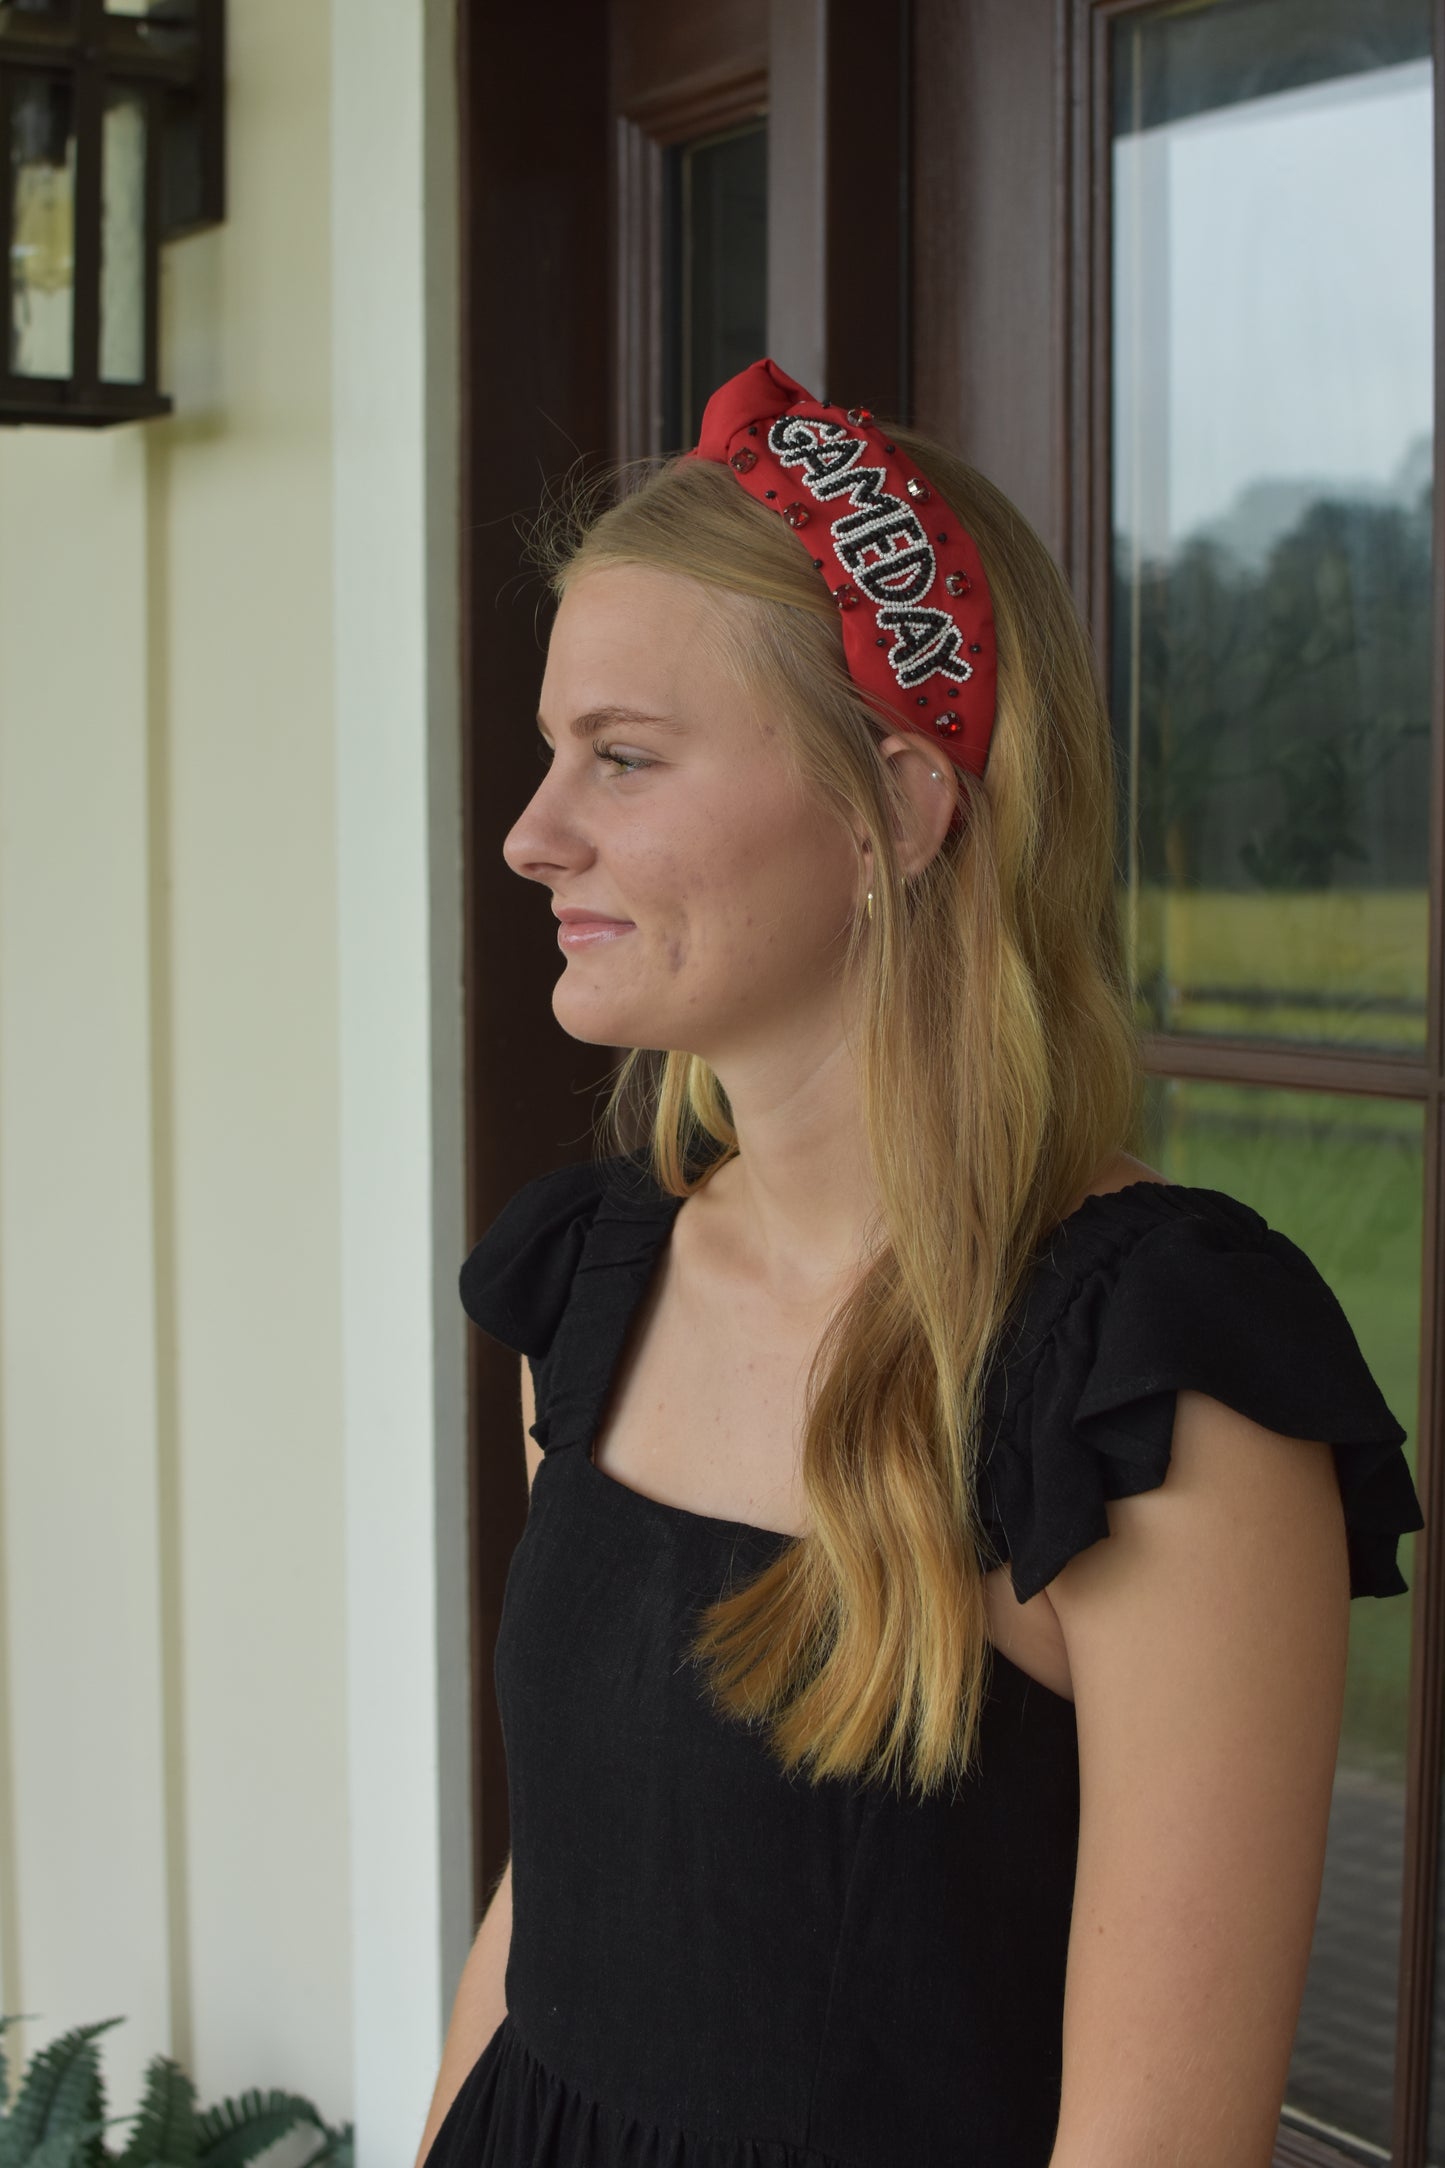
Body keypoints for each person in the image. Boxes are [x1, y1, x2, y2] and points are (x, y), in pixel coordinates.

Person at [414, 360, 1424, 2168]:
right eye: (552, 750)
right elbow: (547, 1912)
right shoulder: (588, 1287)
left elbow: (1161, 2145)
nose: (530, 832)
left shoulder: (1139, 1382)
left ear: (896, 801)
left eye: (621, 758)